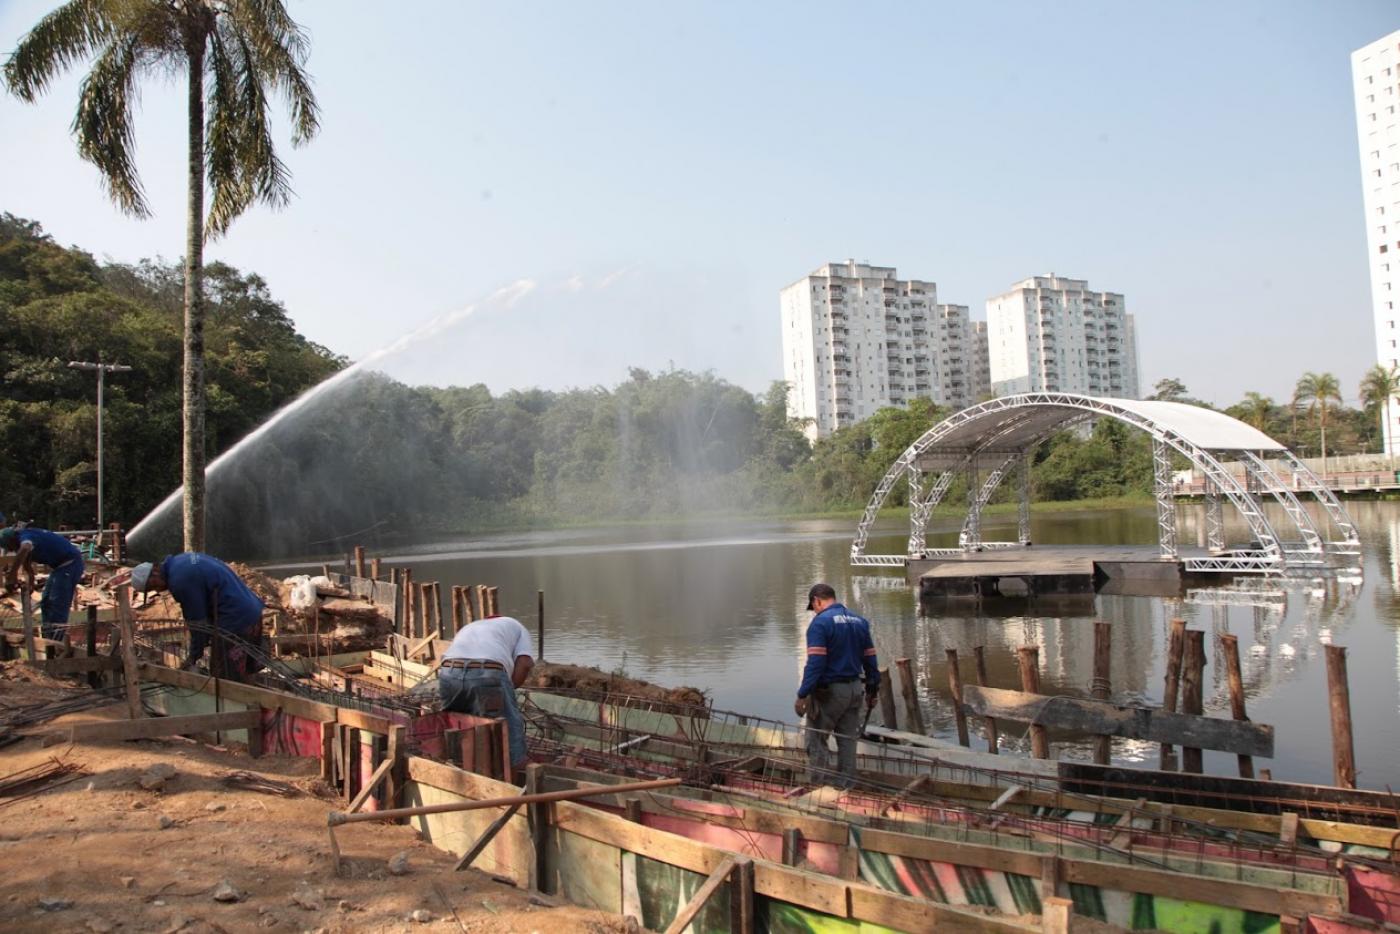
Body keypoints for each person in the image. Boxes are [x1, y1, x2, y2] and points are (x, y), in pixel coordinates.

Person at [793, 582, 880, 788]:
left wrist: (802, 694)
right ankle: (845, 787)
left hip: (831, 692)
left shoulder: (820, 623)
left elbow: (815, 663)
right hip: (854, 690)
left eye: (813, 606)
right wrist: (872, 690)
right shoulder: (860, 621)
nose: (814, 610)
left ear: (817, 601)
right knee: (848, 742)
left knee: (816, 740)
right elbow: (870, 660)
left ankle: (818, 788)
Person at [130, 554, 266, 682]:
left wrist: (193, 656)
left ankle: (236, 705)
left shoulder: (180, 581)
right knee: (246, 673)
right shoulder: (181, 560)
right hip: (252, 612)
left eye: (153, 586)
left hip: (236, 621)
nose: (158, 590)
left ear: (154, 572)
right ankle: (251, 703)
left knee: (225, 679)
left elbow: (198, 623)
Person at [437, 614, 534, 775]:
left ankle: (455, 767)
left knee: (456, 723)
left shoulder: (473, 626)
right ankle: (519, 774)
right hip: (486, 672)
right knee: (510, 725)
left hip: (449, 671)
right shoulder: (517, 626)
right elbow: (524, 663)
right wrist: (509, 689)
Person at [1, 526, 84, 640]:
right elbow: (28, 565)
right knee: (46, 602)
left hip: (70, 565)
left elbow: (25, 548)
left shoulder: (26, 537)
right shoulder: (26, 539)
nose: (12, 550)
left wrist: (12, 574)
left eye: (10, 547)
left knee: (56, 604)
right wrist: (30, 582)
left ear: (12, 541)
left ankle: (55, 643)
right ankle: (47, 638)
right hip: (61, 568)